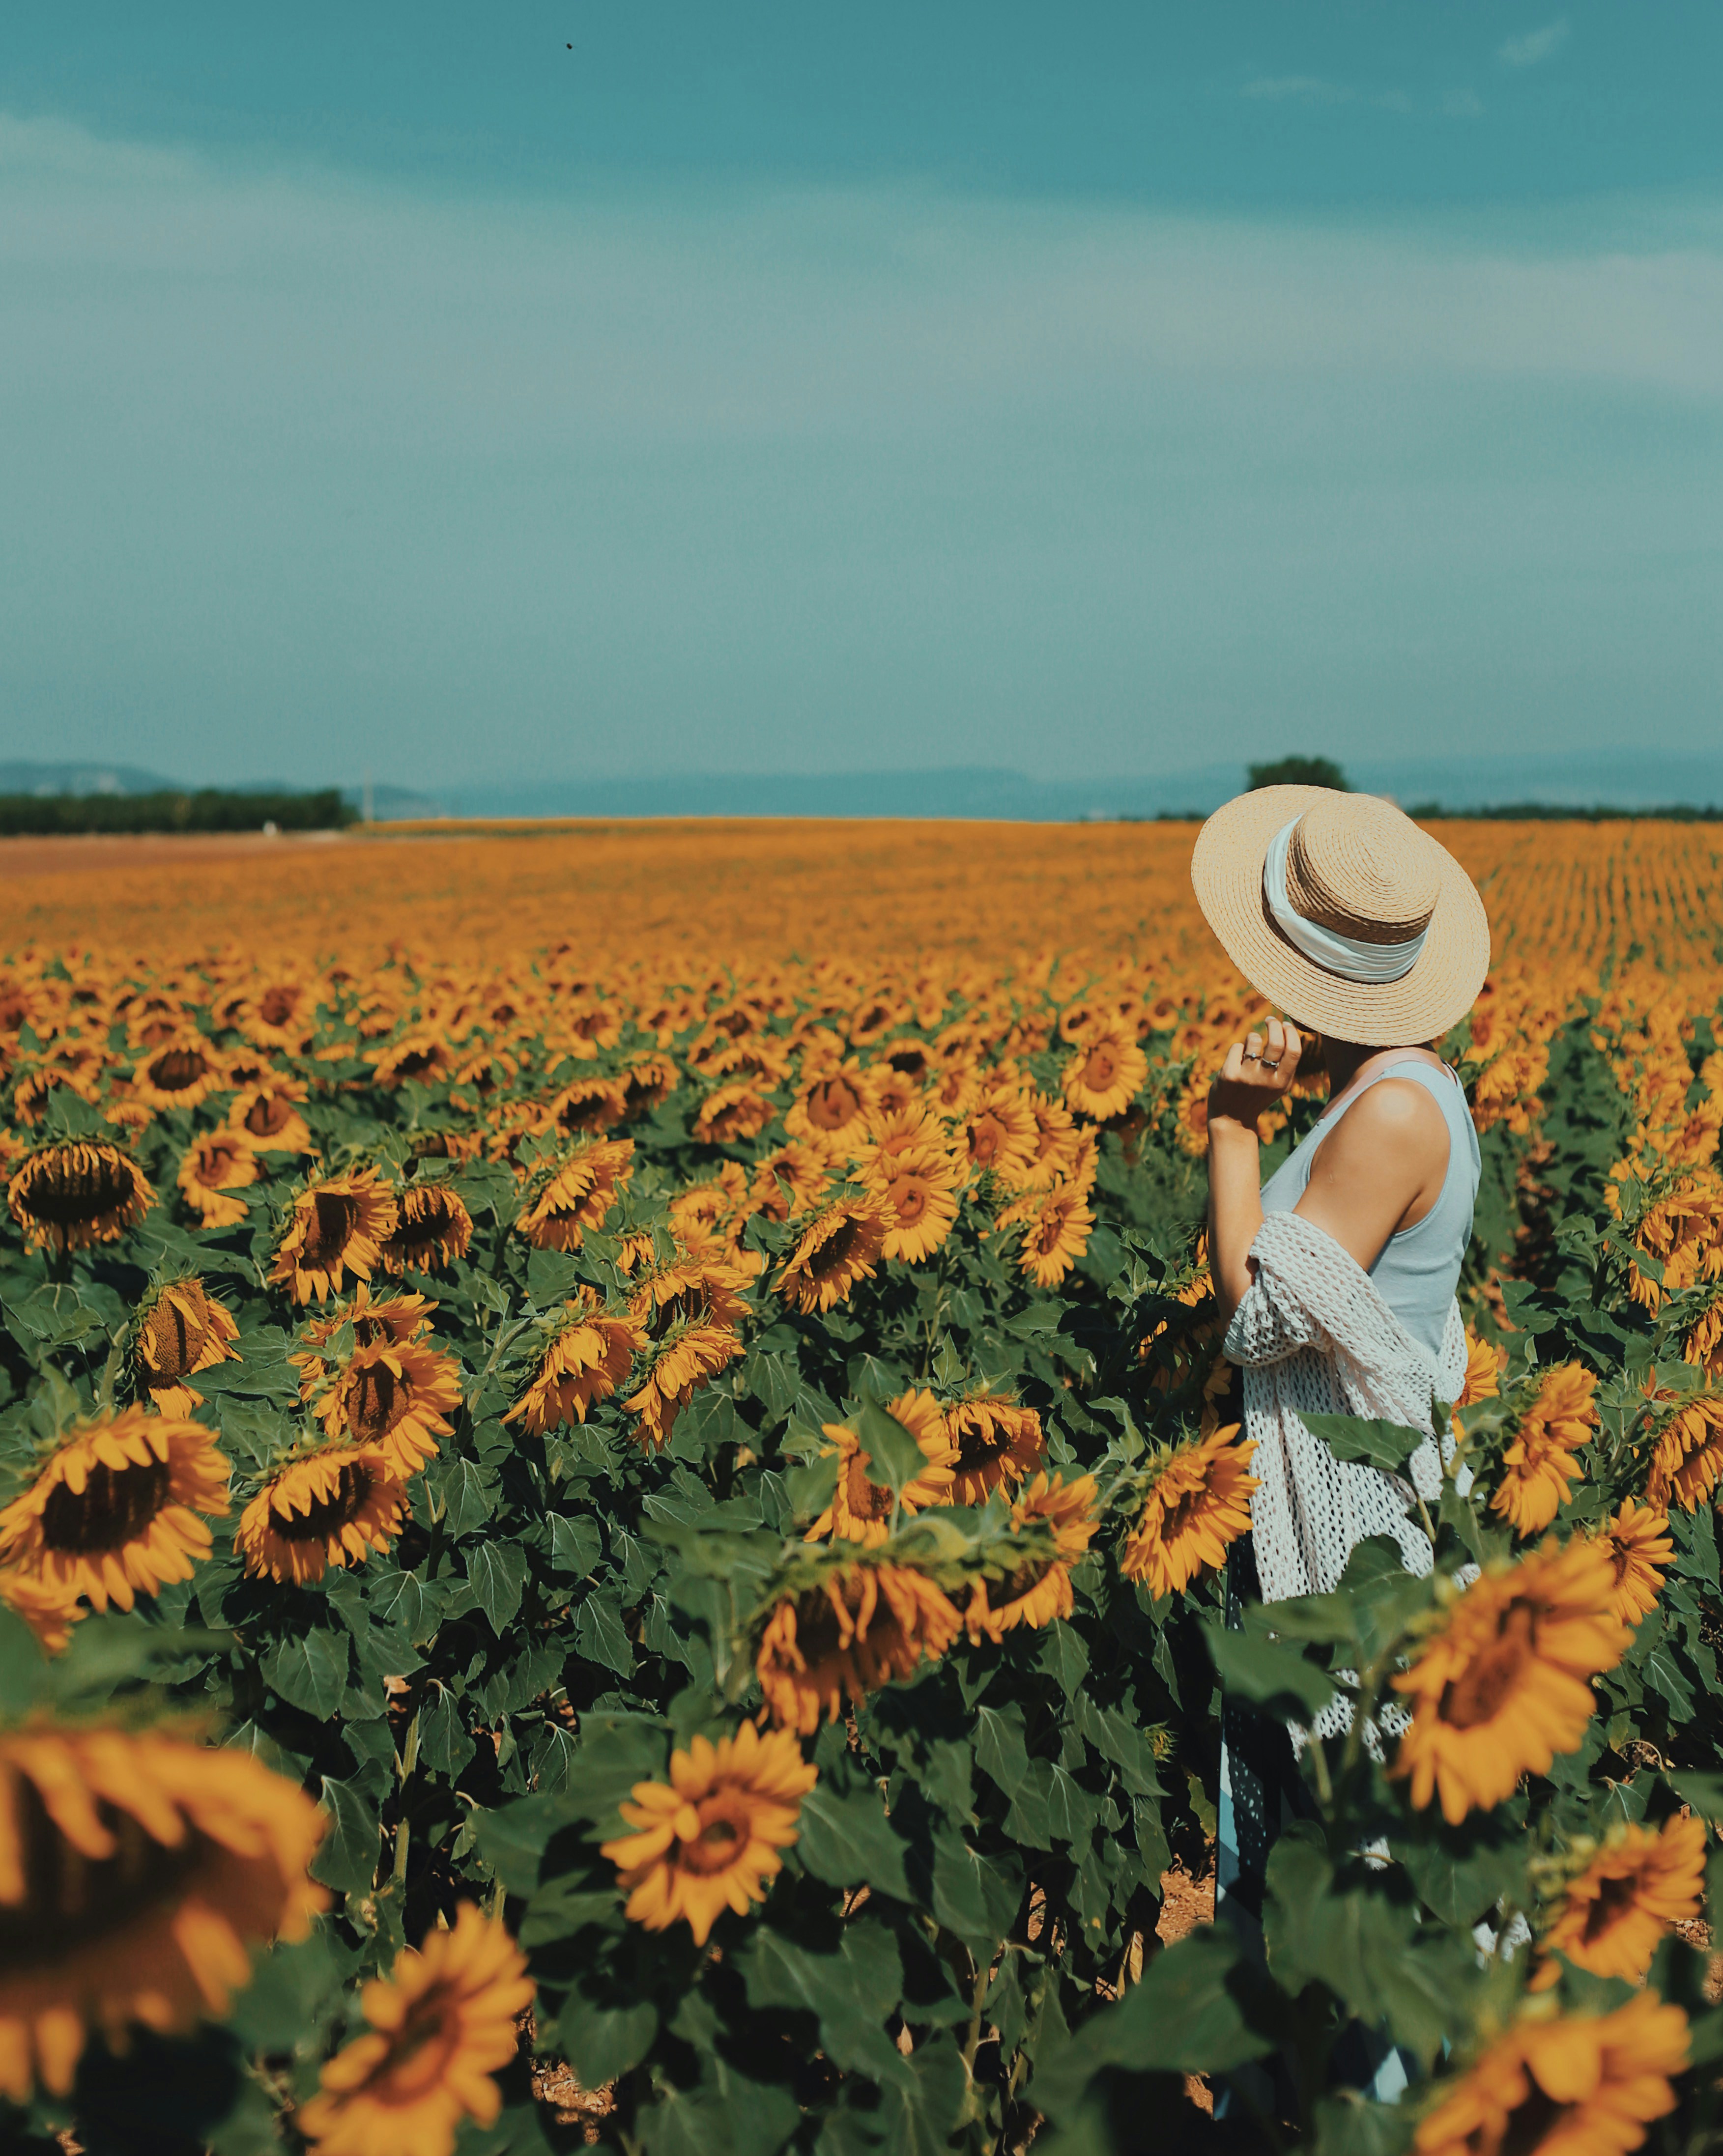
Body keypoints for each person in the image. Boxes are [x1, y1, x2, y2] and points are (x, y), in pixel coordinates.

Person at [1187, 785, 1492, 2113]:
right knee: (1289, 1826)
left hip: (1343, 1531)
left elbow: (1256, 1309)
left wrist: (1230, 1125)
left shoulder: (1389, 1113)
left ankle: (1355, 2118)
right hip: (1334, 1513)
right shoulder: (1397, 1081)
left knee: (1340, 1856)